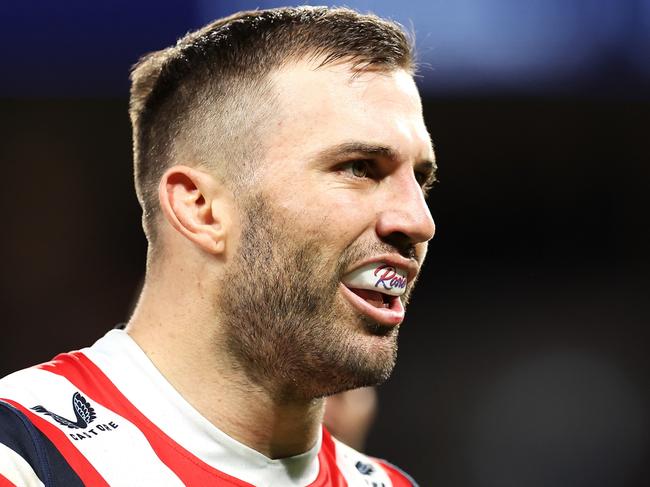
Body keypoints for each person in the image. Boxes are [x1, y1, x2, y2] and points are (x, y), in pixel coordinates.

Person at [0, 6, 436, 486]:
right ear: (201, 208)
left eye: (420, 179)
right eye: (359, 167)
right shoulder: (24, 458)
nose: (418, 221)